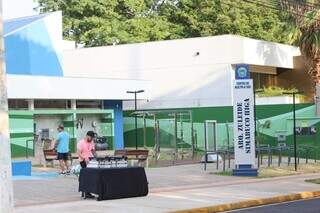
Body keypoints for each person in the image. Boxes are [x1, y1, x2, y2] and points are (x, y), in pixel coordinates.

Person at [77, 131, 96, 198]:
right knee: (86, 176)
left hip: (90, 161)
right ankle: (85, 192)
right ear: (87, 136)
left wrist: (95, 157)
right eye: (91, 137)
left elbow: (93, 151)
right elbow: (79, 153)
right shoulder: (81, 143)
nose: (92, 139)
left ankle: (88, 192)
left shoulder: (92, 142)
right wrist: (84, 158)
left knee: (91, 176)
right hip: (83, 161)